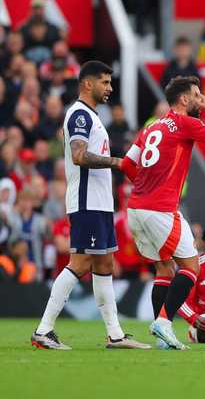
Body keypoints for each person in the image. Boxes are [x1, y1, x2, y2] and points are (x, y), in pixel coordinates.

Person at [31, 61, 150, 350]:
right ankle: (43, 330)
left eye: (110, 82)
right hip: (86, 201)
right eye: (104, 82)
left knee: (104, 262)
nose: (109, 88)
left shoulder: (92, 116)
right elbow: (79, 156)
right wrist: (118, 162)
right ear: (87, 83)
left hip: (99, 202)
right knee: (81, 262)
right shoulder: (80, 116)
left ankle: (115, 334)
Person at [120, 76, 205, 350]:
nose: (200, 99)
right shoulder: (184, 123)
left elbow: (126, 164)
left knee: (164, 268)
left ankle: (162, 338)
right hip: (161, 209)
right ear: (184, 100)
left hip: (136, 209)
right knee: (191, 267)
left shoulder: (151, 126)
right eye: (197, 95)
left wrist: (145, 186)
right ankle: (163, 322)